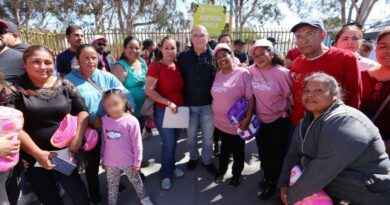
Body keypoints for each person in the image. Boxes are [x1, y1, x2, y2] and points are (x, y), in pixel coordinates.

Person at [279, 72, 390, 205]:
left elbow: (322, 169)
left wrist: (290, 197)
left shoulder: (346, 121)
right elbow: (293, 154)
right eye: (306, 90)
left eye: (318, 90)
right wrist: (283, 183)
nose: (310, 94)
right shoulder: (305, 121)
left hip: (366, 193)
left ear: (335, 94)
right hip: (330, 189)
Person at [0, 45, 90, 205]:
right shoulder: (13, 88)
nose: (43, 67)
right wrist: (38, 153)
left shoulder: (64, 85)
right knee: (48, 197)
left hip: (64, 154)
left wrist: (78, 137)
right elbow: (11, 125)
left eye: (48, 62)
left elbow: (82, 110)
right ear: (25, 63)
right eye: (36, 62)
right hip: (32, 157)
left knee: (77, 193)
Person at [65, 44, 135, 204]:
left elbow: (125, 94)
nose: (91, 61)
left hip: (112, 127)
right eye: (86, 58)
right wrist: (90, 119)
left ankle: (114, 185)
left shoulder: (106, 76)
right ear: (78, 59)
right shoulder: (69, 80)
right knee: (92, 164)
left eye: (94, 57)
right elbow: (69, 106)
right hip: (90, 131)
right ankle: (94, 194)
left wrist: (126, 112)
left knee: (112, 159)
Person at [289, 18, 361, 127]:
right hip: (298, 124)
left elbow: (354, 97)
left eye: (309, 34)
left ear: (323, 36)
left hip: (330, 126)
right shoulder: (297, 63)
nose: (303, 40)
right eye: (299, 36)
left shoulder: (346, 59)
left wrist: (347, 125)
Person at [248, 39, 292, 199]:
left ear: (272, 53)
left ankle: (273, 183)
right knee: (263, 152)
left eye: (262, 53)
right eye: (255, 55)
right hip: (259, 121)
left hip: (278, 121)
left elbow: (291, 98)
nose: (258, 58)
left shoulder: (283, 73)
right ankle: (267, 176)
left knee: (275, 155)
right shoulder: (251, 70)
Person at [145, 36, 185, 190]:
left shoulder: (178, 66)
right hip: (163, 110)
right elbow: (149, 91)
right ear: (161, 49)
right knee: (168, 143)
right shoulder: (156, 67)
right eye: (166, 47)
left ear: (177, 50)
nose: (169, 51)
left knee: (173, 142)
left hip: (180, 110)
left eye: (173, 48)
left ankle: (170, 167)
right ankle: (166, 174)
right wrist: (168, 103)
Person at [212, 43, 254, 187]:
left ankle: (236, 174)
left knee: (238, 152)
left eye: (224, 55)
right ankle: (221, 171)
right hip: (220, 123)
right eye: (218, 57)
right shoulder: (217, 73)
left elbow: (251, 98)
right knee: (223, 150)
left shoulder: (243, 73)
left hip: (238, 124)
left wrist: (248, 118)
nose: (221, 59)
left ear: (232, 55)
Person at [100, 89, 153, 205]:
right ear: (104, 106)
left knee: (136, 182)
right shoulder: (104, 121)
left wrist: (137, 162)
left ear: (124, 102)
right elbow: (104, 141)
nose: (113, 108)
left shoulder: (131, 121)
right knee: (112, 185)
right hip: (110, 162)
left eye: (116, 104)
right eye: (109, 106)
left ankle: (144, 198)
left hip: (129, 161)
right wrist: (103, 158)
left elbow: (137, 143)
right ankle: (112, 202)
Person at [177, 25, 217, 175]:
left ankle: (207, 160)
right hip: (189, 105)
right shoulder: (182, 57)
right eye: (196, 35)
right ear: (190, 38)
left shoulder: (215, 56)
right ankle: (193, 157)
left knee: (208, 137)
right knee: (190, 136)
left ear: (208, 38)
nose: (199, 38)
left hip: (209, 105)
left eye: (202, 35)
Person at [111, 36, 151, 138]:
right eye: (130, 47)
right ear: (124, 49)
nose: (134, 50)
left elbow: (147, 81)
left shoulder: (142, 63)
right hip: (128, 113)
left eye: (137, 48)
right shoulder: (119, 66)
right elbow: (114, 93)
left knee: (137, 139)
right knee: (128, 142)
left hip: (142, 110)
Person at [361, 27, 390, 155]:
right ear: (376, 48)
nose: (388, 51)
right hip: (358, 147)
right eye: (383, 46)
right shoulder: (361, 76)